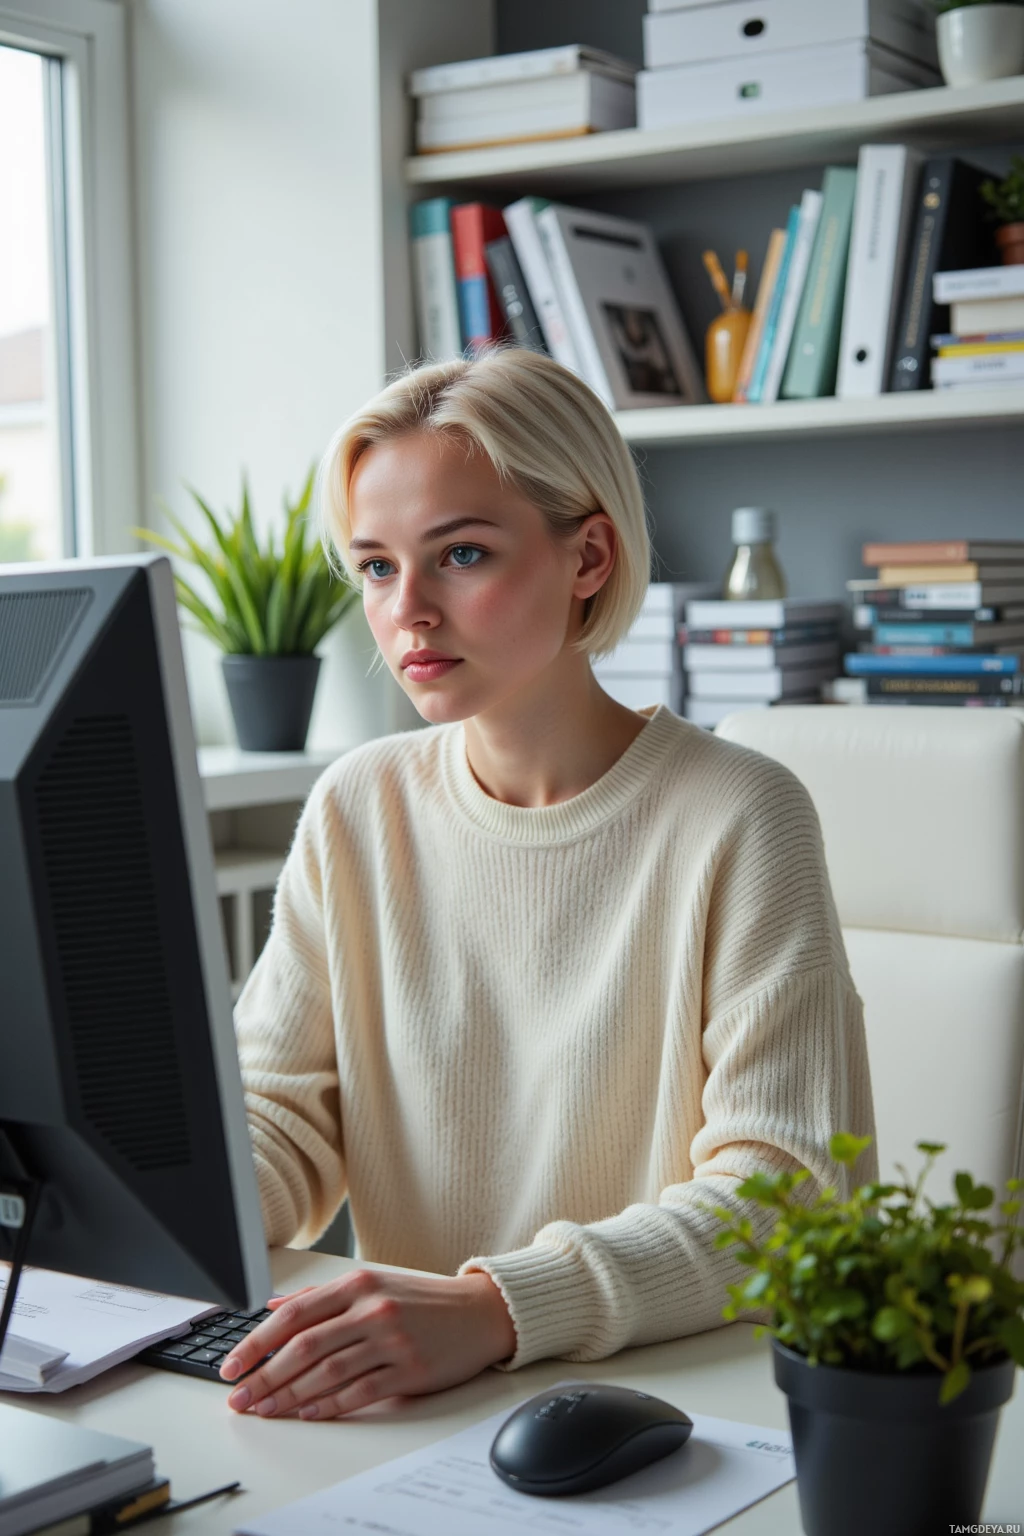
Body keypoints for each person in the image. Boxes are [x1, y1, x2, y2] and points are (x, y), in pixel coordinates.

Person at [221, 347, 877, 1423]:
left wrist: (493, 1310)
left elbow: (778, 1203)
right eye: (376, 567)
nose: (407, 614)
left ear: (588, 558)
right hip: (413, 1408)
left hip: (670, 1408)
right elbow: (282, 1119)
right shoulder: (357, 806)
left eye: (461, 553)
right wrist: (161, 1211)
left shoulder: (741, 814)